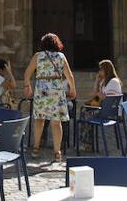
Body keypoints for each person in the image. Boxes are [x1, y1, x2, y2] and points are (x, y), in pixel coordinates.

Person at [23, 33, 76, 162]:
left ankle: (36, 148)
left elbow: (27, 73)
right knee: (56, 122)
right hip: (57, 89)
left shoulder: (38, 56)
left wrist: (27, 87)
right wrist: (73, 89)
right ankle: (57, 152)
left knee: (39, 120)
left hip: (42, 90)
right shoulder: (61, 56)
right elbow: (69, 76)